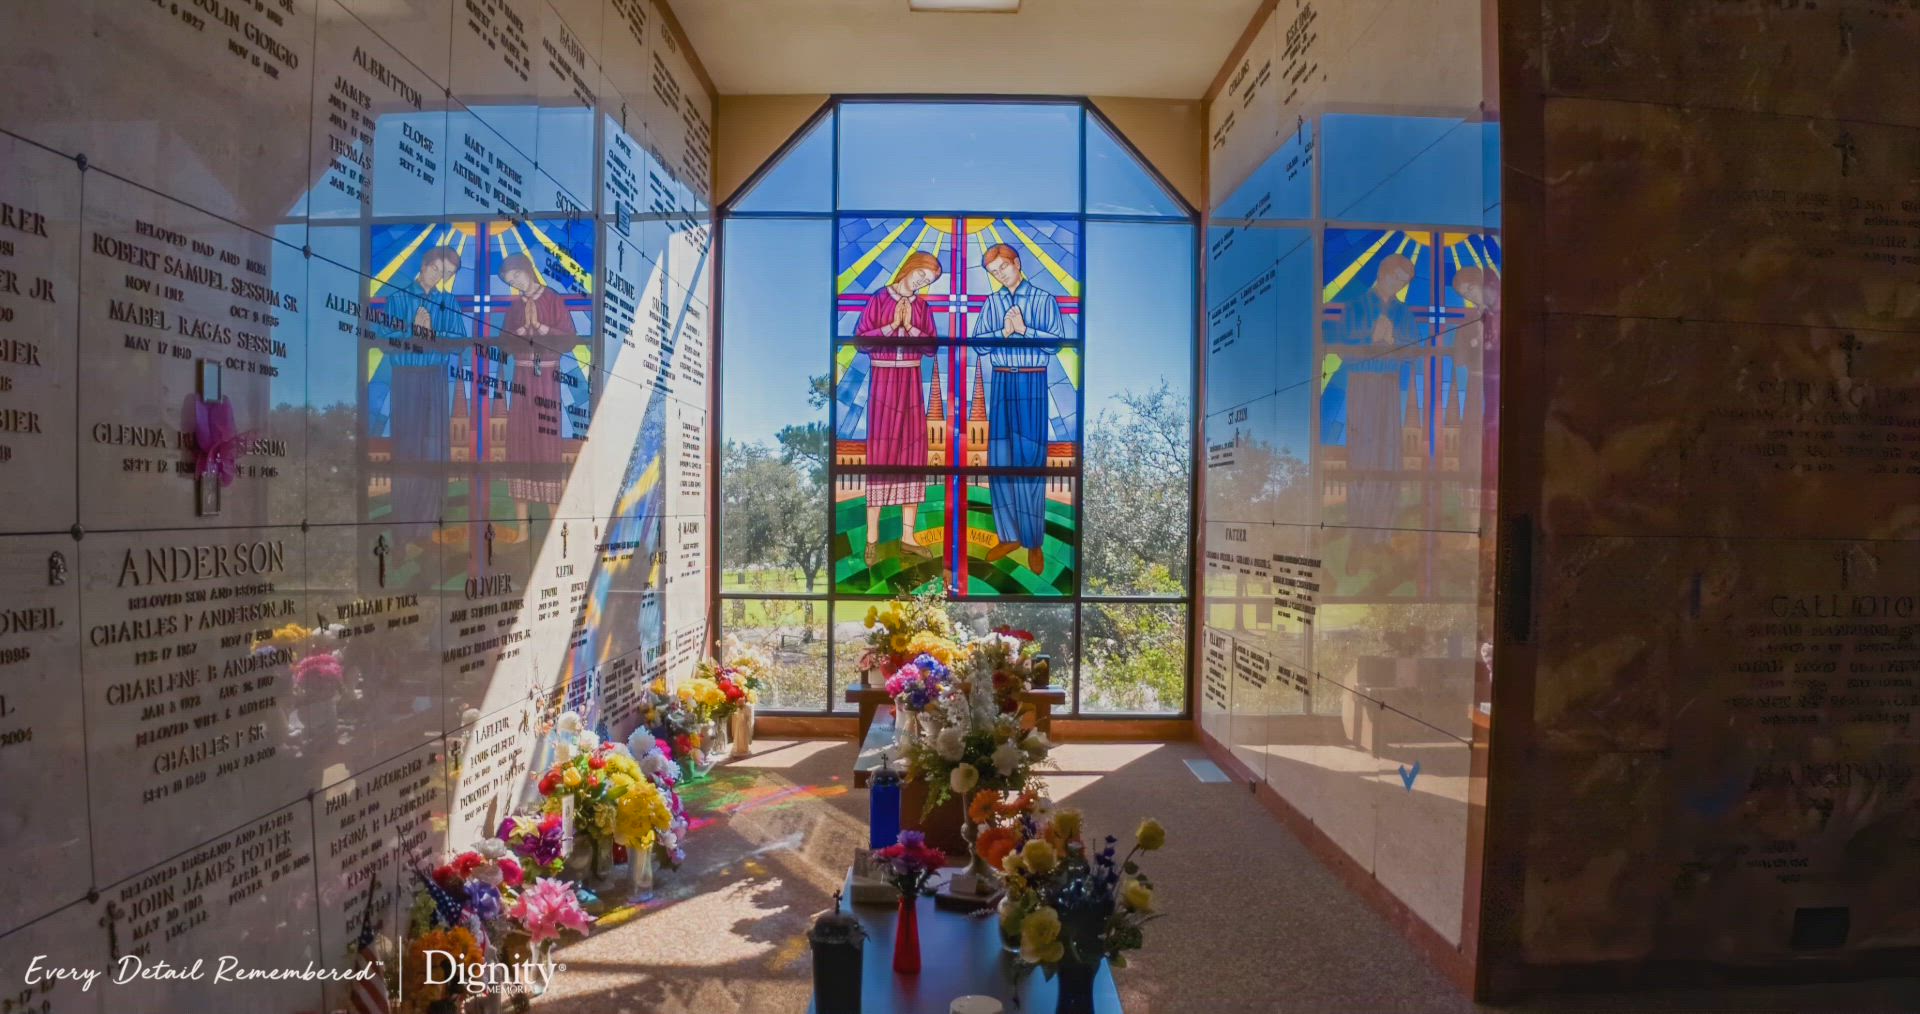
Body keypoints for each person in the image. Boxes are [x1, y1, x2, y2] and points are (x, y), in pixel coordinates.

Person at [970, 243, 1065, 574]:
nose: (999, 275)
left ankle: (1033, 541)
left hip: (1031, 379)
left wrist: (1024, 331)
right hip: (1001, 380)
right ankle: (1008, 535)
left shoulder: (1044, 299)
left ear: (1017, 263)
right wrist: (1003, 332)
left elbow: (1056, 343)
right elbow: (978, 344)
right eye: (993, 272)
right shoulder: (991, 303)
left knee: (1030, 461)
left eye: (1003, 268)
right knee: (1000, 461)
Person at [853, 251, 942, 567]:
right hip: (884, 380)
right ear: (909, 268)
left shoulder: (923, 308)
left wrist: (912, 328)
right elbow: (861, 341)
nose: (922, 282)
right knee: (881, 456)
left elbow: (932, 346)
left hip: (911, 382)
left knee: (912, 455)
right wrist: (892, 326)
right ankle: (872, 539)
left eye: (928, 280)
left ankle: (908, 537)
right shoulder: (879, 299)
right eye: (921, 274)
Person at [1339, 253, 1417, 579]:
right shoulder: (1355, 306)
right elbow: (1342, 349)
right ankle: (1359, 539)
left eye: (1404, 282)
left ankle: (1382, 536)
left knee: (1388, 460)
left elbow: (1414, 350)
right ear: (1383, 273)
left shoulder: (1404, 313)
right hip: (1362, 386)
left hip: (1388, 387)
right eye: (1395, 277)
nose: (1397, 285)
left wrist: (1394, 341)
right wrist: (1371, 340)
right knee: (1361, 461)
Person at [378, 245, 468, 527]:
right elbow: (384, 340)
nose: (438, 276)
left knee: (434, 450)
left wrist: (431, 332)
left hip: (435, 378)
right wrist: (412, 331)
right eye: (436, 268)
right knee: (407, 449)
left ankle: (428, 527)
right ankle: (405, 528)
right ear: (424, 265)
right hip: (405, 378)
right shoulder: (397, 299)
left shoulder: (449, 303)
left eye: (446, 273)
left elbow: (459, 343)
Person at [499, 253, 578, 340]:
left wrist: (541, 328)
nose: (517, 282)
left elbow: (569, 338)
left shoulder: (552, 298)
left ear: (527, 269)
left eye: (517, 275)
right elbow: (503, 339)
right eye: (511, 282)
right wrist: (520, 331)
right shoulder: (516, 305)